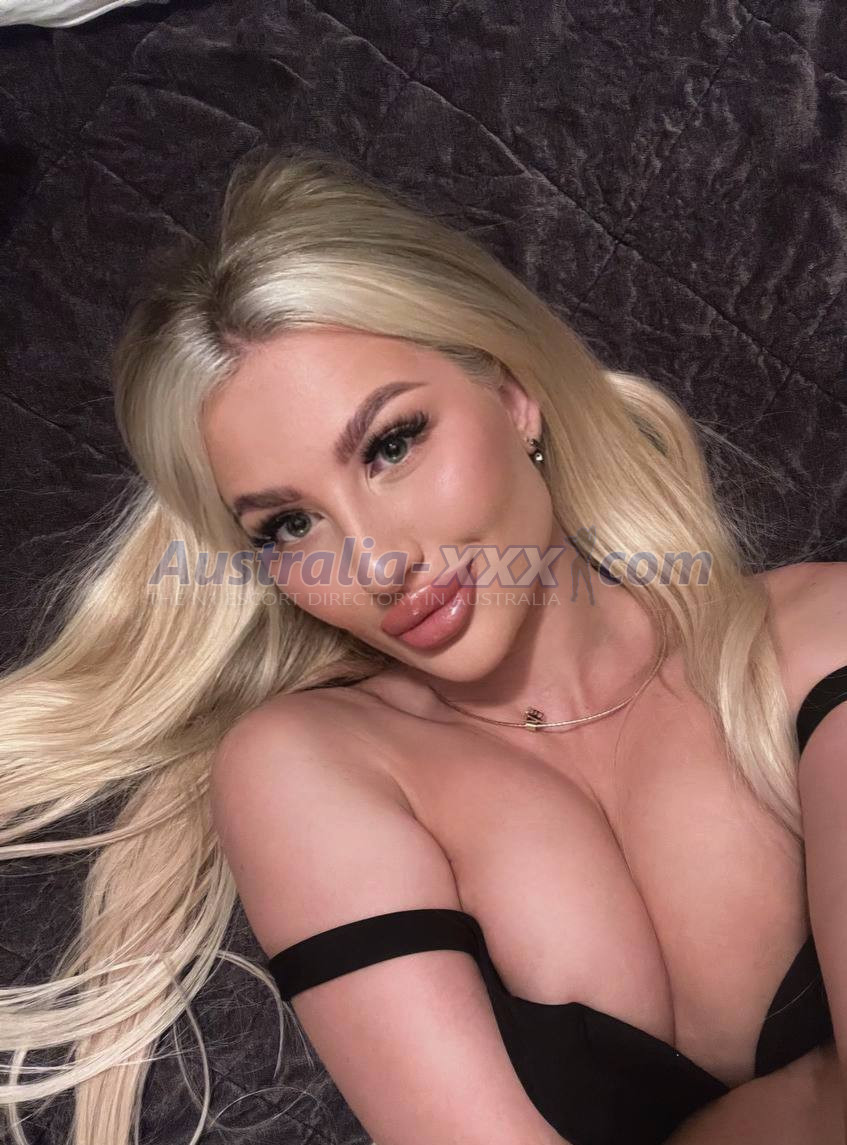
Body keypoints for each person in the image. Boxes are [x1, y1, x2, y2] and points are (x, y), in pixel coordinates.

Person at [0, 144, 845, 1145]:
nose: (375, 561)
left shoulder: (812, 634)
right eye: (289, 524)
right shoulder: (311, 765)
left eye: (391, 444)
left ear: (512, 395)